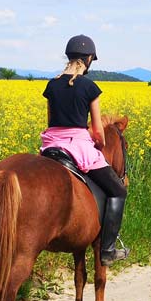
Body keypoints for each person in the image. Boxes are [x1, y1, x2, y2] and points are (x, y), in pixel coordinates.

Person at [40, 34, 129, 265]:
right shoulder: (89, 87)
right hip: (79, 147)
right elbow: (98, 132)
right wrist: (98, 145)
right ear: (88, 59)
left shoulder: (51, 85)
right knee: (118, 190)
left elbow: (52, 121)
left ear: (69, 57)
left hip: (50, 146)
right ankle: (107, 249)